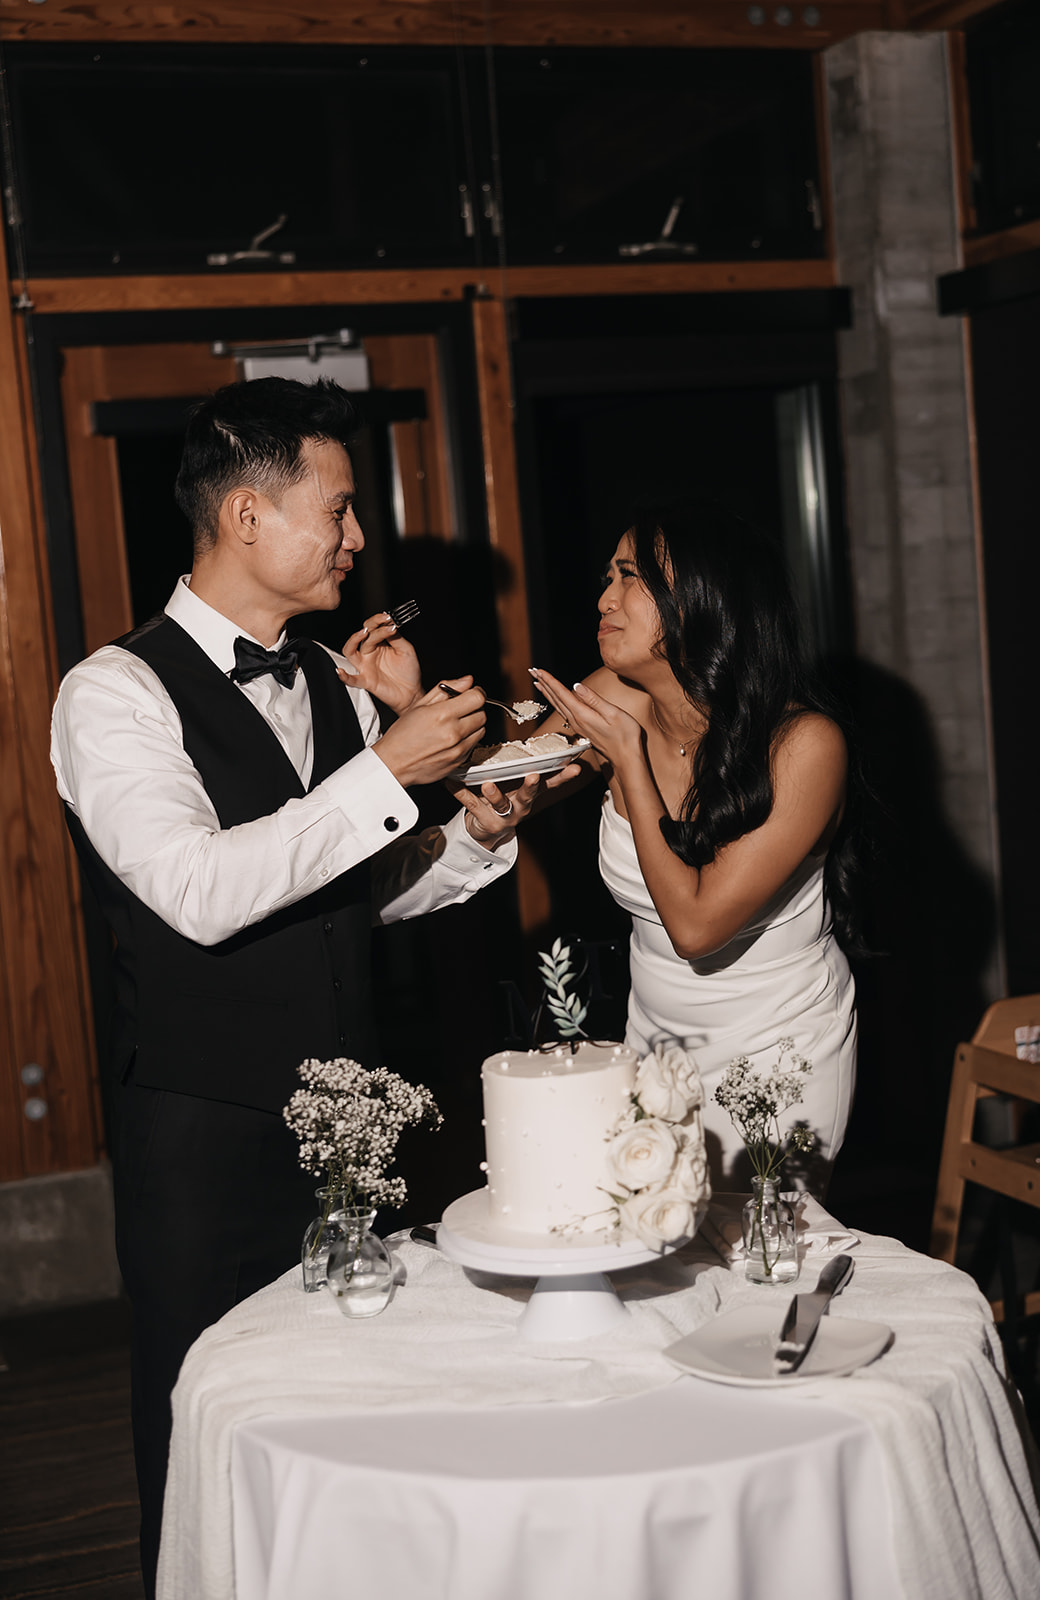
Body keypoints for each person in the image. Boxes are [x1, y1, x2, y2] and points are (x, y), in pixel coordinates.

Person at [49, 376, 550, 1596]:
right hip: (205, 1123)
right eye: (336, 509)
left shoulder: (329, 678)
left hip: (356, 1110)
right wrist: (384, 767)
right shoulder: (109, 693)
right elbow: (201, 892)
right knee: (207, 1408)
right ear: (245, 519)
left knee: (362, 1399)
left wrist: (472, 836)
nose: (356, 538)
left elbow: (347, 895)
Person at [531, 500, 858, 1192]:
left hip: (779, 1044)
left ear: (703, 600)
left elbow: (697, 927)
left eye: (629, 577)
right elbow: (505, 787)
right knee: (654, 1255)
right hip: (657, 1040)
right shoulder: (611, 697)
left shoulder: (804, 746)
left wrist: (627, 761)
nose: (603, 598)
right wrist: (414, 716)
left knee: (763, 1262)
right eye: (607, 576)